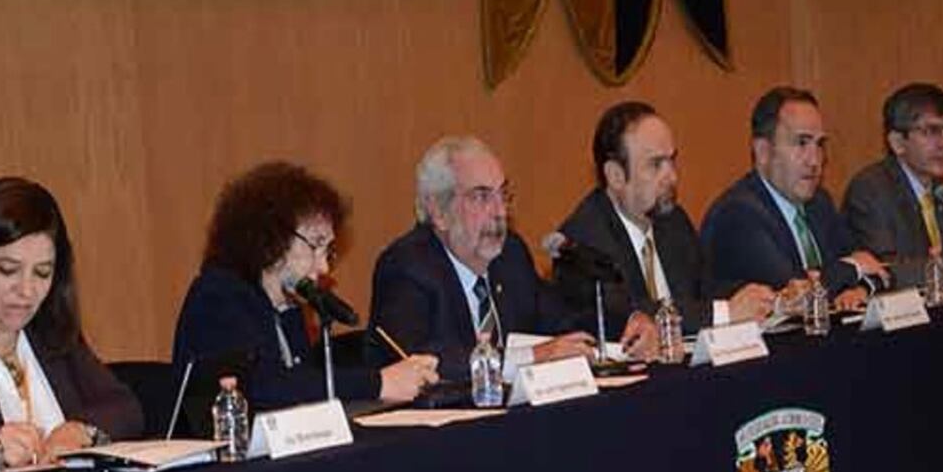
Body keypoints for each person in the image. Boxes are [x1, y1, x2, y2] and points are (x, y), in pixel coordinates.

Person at [172, 161, 437, 435]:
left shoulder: (288, 305)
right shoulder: (218, 297)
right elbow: (266, 388)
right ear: (271, 237)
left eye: (328, 250)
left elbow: (304, 391)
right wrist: (378, 383)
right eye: (315, 245)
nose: (323, 268)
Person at [367, 136, 655, 381]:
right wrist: (531, 357)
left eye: (503, 195)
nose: (500, 212)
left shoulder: (509, 255)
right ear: (439, 211)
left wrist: (628, 327)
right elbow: (422, 363)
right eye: (481, 197)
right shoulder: (406, 267)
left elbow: (561, 317)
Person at [0, 177, 143, 472]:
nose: (26, 291)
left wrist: (81, 430)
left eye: (42, 273)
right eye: (8, 270)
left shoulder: (50, 333)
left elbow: (126, 408)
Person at [553, 101, 775, 336]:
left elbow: (704, 289)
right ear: (616, 176)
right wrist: (724, 313)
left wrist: (767, 299)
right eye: (656, 164)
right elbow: (625, 313)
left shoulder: (673, 221)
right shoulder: (582, 242)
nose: (672, 176)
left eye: (672, 160)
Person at [700, 87, 888, 310]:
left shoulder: (819, 203)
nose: (815, 160)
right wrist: (853, 268)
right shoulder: (737, 214)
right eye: (801, 143)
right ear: (763, 152)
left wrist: (860, 289)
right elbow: (794, 295)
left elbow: (876, 267)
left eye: (819, 145)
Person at [842, 82, 943, 287]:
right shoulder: (870, 191)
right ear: (897, 142)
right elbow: (889, 272)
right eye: (931, 131)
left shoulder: (939, 190)